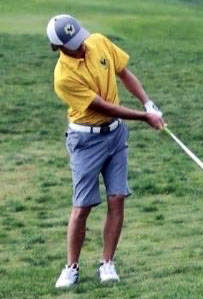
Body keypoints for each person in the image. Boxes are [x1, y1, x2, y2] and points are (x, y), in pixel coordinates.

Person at [46, 14, 164, 288]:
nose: (82, 45)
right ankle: (71, 267)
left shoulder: (97, 41)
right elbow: (103, 106)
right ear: (59, 47)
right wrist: (143, 117)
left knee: (117, 198)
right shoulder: (63, 77)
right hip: (85, 141)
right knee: (83, 206)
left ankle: (107, 262)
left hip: (116, 134)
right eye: (74, 44)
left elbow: (123, 72)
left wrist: (148, 103)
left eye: (80, 37)